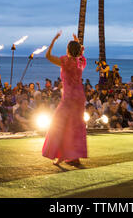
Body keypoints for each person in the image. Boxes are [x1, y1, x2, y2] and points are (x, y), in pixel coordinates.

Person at [42, 32, 87, 167]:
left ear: (67, 50)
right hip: (79, 98)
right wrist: (78, 43)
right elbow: (81, 54)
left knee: (59, 125)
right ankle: (73, 156)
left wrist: (53, 40)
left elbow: (48, 56)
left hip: (68, 99)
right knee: (74, 127)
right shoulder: (80, 62)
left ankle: (62, 156)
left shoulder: (64, 61)